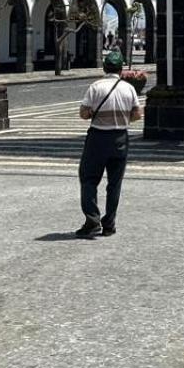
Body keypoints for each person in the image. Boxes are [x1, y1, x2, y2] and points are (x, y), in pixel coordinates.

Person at [74, 50, 143, 238]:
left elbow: (83, 113)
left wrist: (94, 114)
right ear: (121, 70)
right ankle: (109, 224)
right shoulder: (128, 88)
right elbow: (137, 115)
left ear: (104, 68)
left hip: (98, 138)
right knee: (114, 183)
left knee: (88, 179)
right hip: (120, 138)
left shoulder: (96, 87)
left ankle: (92, 220)